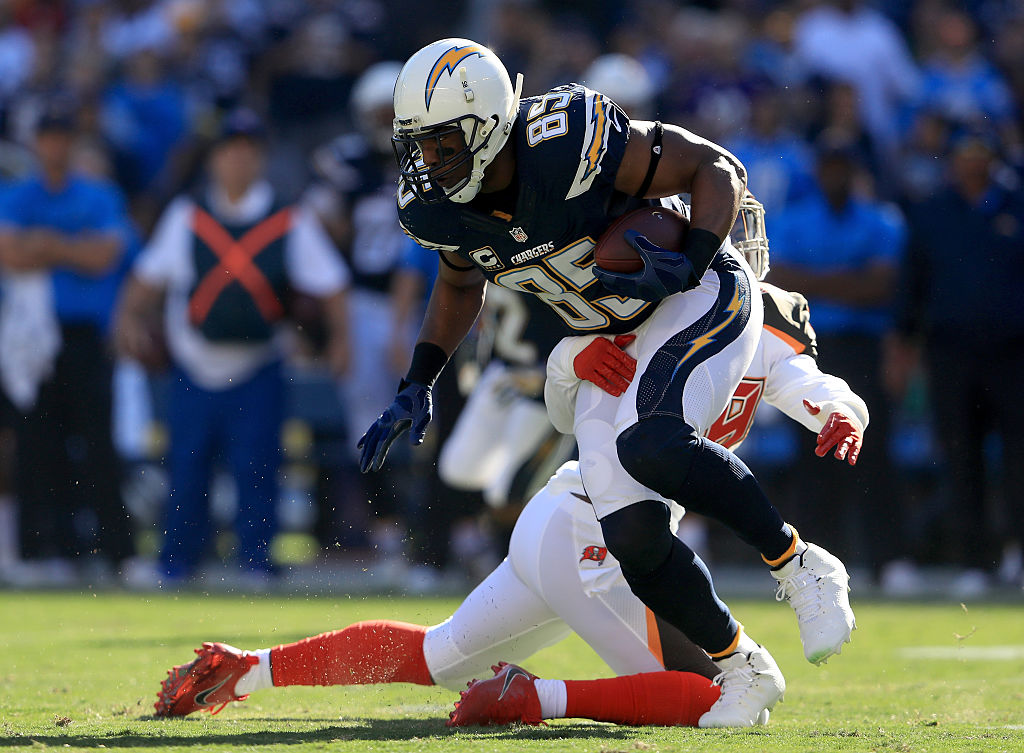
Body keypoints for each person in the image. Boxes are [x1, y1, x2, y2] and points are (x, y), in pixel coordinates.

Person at [357, 38, 854, 726]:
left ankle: (800, 566)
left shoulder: (564, 139)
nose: (429, 162)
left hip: (695, 290)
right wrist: (420, 377)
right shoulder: (434, 205)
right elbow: (458, 276)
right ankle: (743, 665)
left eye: (444, 144)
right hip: (611, 333)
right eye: (420, 145)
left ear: (491, 123)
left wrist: (691, 262)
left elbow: (714, 167)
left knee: (651, 443)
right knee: (632, 534)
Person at [153, 275, 867, 726]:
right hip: (596, 535)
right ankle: (538, 697)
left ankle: (251, 664)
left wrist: (841, 412)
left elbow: (805, 377)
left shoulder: (743, 320)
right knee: (728, 692)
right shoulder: (662, 296)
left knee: (439, 654)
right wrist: (571, 359)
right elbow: (561, 386)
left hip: (559, 522)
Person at [114, 108, 351, 586]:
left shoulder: (288, 217)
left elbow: (332, 284)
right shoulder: (187, 215)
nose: (238, 162)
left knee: (257, 466)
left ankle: (255, 564)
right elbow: (145, 279)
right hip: (193, 363)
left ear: (260, 159)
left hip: (258, 364)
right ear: (214, 160)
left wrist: (343, 341)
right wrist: (126, 320)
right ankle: (175, 564)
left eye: (248, 153)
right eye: (229, 152)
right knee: (186, 466)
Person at [0, 100, 135, 584]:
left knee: (98, 446)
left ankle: (117, 554)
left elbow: (104, 256)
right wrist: (69, 245)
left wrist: (45, 244)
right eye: (48, 137)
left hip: (83, 336)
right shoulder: (16, 194)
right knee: (36, 445)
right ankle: (41, 554)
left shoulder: (98, 195)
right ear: (37, 144)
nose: (55, 146)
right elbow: (9, 253)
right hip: (33, 337)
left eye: (62, 137)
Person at [887, 132, 1024, 595]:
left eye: (980, 153)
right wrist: (902, 346)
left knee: (1019, 457)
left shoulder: (1016, 204)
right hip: (951, 354)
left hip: (1013, 353)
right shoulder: (934, 212)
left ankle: (1017, 555)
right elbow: (912, 287)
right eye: (965, 154)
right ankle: (976, 562)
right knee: (961, 457)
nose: (972, 163)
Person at [768, 137, 906, 582]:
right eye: (829, 166)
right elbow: (781, 280)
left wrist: (816, 284)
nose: (835, 176)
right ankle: (816, 565)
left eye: (843, 167)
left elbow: (881, 287)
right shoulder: (794, 218)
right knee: (813, 458)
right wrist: (852, 282)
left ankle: (887, 561)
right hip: (811, 346)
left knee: (872, 451)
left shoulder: (880, 219)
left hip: (863, 347)